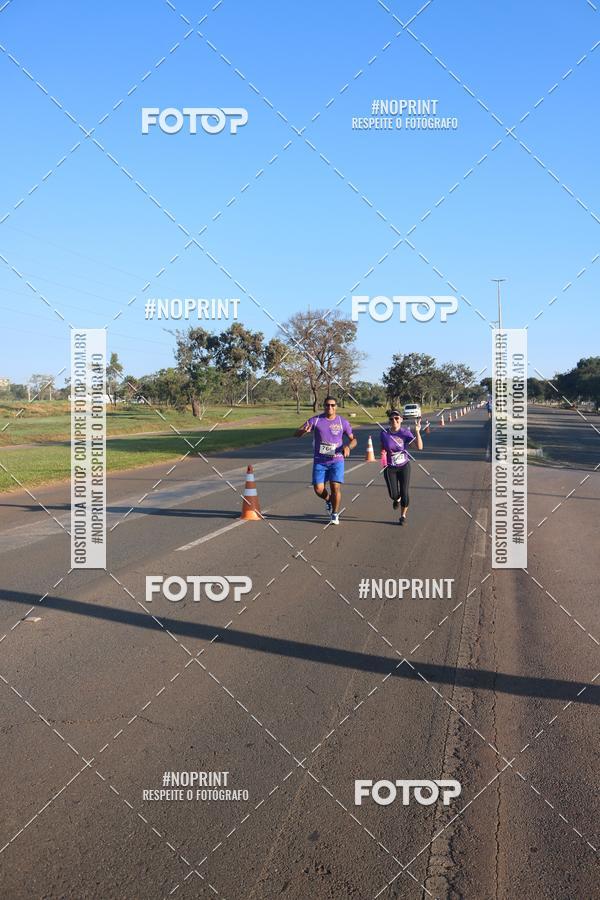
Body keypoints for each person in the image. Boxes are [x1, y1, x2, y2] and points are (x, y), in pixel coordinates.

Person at [294, 396, 357, 525]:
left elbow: (353, 439)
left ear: (336, 407)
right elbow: (296, 433)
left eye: (333, 405)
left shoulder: (342, 422)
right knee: (318, 489)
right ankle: (328, 500)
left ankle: (334, 514)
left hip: (337, 459)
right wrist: (302, 432)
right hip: (320, 460)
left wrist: (348, 447)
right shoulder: (316, 420)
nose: (330, 407)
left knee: (335, 486)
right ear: (324, 406)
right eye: (327, 405)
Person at [380, 410, 423, 526]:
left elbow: (419, 447)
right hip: (390, 468)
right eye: (391, 419)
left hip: (404, 466)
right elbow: (382, 448)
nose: (394, 420)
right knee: (393, 494)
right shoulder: (384, 434)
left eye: (396, 418)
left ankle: (403, 516)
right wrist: (383, 459)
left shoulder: (405, 433)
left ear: (401, 419)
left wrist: (417, 432)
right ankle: (396, 499)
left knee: (405, 492)